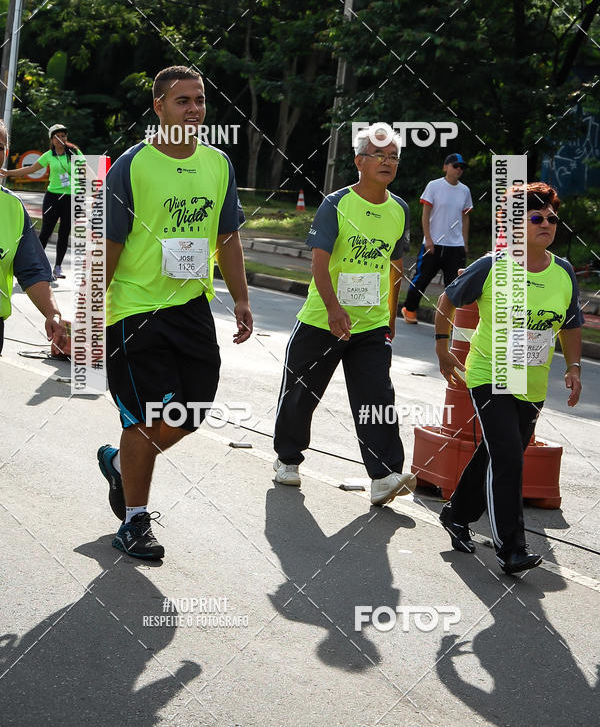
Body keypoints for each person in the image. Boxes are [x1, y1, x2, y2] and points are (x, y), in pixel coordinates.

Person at [98, 65, 253, 560]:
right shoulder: (132, 166)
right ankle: (134, 520)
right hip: (135, 309)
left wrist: (241, 297)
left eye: (200, 100)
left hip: (190, 308)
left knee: (192, 412)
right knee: (147, 416)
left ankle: (121, 464)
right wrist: (90, 312)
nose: (194, 109)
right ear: (159, 107)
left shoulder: (218, 164)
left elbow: (227, 237)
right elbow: (110, 244)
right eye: (182, 100)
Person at [434, 182, 583, 575]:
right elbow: (448, 299)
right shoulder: (492, 266)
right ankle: (511, 548)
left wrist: (574, 367)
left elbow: (570, 324)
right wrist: (442, 347)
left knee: (496, 452)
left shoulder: (563, 272)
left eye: (552, 218)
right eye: (536, 217)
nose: (547, 223)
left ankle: (456, 513)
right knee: (509, 457)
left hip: (532, 383)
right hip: (490, 374)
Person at [272, 125, 417, 504]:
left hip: (370, 325)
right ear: (359, 161)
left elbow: (395, 264)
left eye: (393, 157)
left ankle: (384, 475)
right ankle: (287, 459)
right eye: (379, 155)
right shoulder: (336, 204)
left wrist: (390, 316)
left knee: (376, 397)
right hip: (322, 320)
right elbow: (319, 263)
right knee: (301, 394)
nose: (387, 162)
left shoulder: (399, 209)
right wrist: (333, 309)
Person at [0, 120, 67, 355]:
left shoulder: (13, 208)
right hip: (52, 198)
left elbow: (31, 269)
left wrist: (52, 313)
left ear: (6, 152)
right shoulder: (49, 156)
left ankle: (59, 264)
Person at [1, 123, 84, 280]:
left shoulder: (74, 153)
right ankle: (37, 265)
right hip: (52, 197)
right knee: (45, 232)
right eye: (57, 136)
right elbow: (30, 169)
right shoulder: (49, 156)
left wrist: (100, 182)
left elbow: (87, 170)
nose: (61, 139)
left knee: (64, 232)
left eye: (63, 136)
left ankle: (58, 267)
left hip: (71, 198)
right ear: (52, 140)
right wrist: (8, 172)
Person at [401, 152, 472, 323]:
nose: (459, 169)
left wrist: (465, 242)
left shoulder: (465, 190)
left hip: (455, 245)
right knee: (422, 278)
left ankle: (450, 318)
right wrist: (428, 238)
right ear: (445, 167)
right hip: (434, 243)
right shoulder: (434, 186)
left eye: (462, 167)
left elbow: (465, 217)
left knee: (454, 284)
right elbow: (426, 214)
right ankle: (409, 309)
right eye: (455, 166)